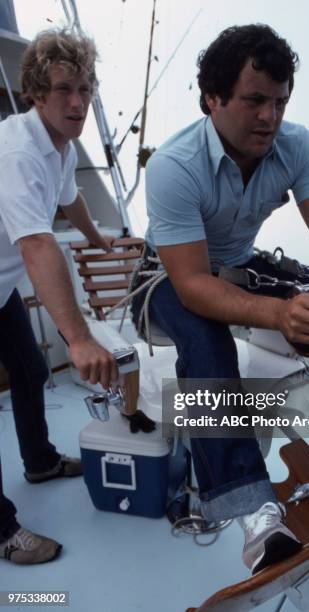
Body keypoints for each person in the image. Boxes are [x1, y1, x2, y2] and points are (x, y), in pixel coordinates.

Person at [132, 24, 309, 574]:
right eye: (254, 100)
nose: (270, 117)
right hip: (167, 274)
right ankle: (255, 515)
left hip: (239, 264)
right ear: (212, 98)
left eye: (280, 102)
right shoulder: (174, 165)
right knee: (204, 339)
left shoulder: (297, 146)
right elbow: (191, 284)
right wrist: (280, 314)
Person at [0, 28, 119, 565]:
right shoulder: (17, 152)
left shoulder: (61, 147)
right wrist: (77, 337)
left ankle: (40, 461)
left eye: (86, 89)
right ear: (36, 94)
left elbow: (69, 203)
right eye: (65, 90)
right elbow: (37, 245)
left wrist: (98, 241)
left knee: (29, 372)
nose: (78, 103)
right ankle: (2, 532)